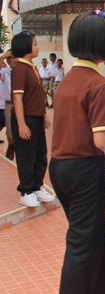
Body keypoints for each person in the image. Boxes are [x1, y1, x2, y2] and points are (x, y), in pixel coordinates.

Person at [48, 12, 105, 294]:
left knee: (95, 233)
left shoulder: (68, 79)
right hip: (85, 169)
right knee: (81, 244)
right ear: (102, 45)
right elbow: (102, 141)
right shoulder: (99, 85)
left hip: (60, 168)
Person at [11, 31, 55, 208]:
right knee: (26, 156)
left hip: (36, 117)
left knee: (40, 154)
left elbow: (36, 95)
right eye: (35, 44)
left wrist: (44, 115)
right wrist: (21, 124)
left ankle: (36, 186)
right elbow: (18, 99)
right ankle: (26, 191)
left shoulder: (32, 67)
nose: (38, 47)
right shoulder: (19, 69)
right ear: (25, 47)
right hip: (25, 118)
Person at [1, 52, 17, 159]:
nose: (11, 60)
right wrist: (2, 57)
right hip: (9, 104)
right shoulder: (5, 72)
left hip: (24, 104)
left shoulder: (24, 70)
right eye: (8, 58)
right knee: (10, 130)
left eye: (13, 57)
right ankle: (11, 145)